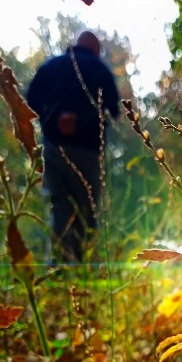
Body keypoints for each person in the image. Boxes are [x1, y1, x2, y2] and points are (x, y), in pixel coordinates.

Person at [25, 31, 121, 263]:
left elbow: (29, 100)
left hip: (54, 148)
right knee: (87, 211)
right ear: (96, 50)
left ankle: (59, 269)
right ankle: (82, 272)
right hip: (88, 151)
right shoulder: (101, 71)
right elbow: (113, 112)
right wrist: (81, 123)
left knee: (59, 207)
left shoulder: (51, 68)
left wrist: (54, 119)